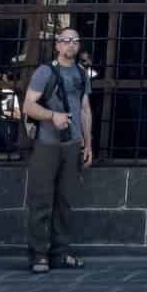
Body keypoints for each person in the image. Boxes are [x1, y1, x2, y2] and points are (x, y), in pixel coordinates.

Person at [23, 25, 93, 274]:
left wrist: (88, 143)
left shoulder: (81, 73)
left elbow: (84, 108)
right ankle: (39, 254)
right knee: (41, 200)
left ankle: (60, 253)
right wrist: (52, 115)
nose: (70, 45)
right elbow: (28, 106)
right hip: (47, 143)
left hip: (72, 144)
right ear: (57, 44)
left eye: (75, 41)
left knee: (65, 201)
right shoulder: (45, 72)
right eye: (66, 41)